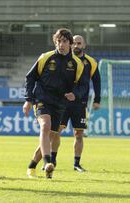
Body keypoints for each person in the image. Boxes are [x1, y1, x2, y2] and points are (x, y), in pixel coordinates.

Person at [24, 28, 87, 179]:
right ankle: (48, 163)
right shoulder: (45, 57)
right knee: (45, 126)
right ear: (55, 42)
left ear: (71, 44)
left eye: (64, 41)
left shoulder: (77, 63)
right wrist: (28, 99)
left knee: (52, 136)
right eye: (58, 41)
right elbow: (30, 77)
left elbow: (83, 85)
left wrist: (75, 94)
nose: (61, 44)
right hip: (42, 99)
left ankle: (32, 165)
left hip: (60, 103)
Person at [50, 35, 101, 172]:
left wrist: (97, 100)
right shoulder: (64, 60)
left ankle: (76, 164)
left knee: (79, 134)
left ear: (84, 45)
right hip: (62, 103)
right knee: (56, 132)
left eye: (79, 43)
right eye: (74, 43)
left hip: (80, 104)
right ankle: (52, 161)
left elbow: (96, 81)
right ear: (70, 44)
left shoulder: (90, 62)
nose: (76, 46)